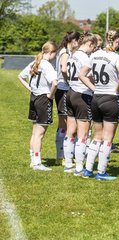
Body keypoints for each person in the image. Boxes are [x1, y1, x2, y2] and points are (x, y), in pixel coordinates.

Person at [82, 30, 119, 180]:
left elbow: (82, 75)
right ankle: (101, 172)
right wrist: (118, 89)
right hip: (110, 99)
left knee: (97, 136)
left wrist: (94, 88)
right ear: (116, 41)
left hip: (96, 98)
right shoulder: (116, 57)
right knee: (107, 138)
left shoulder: (94, 55)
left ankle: (88, 170)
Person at [18, 41, 58, 171]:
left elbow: (20, 76)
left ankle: (33, 160)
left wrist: (31, 88)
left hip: (34, 98)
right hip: (43, 99)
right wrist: (51, 96)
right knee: (40, 133)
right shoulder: (47, 65)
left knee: (35, 132)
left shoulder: (35, 62)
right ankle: (37, 162)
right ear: (51, 53)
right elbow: (55, 83)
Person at [63, 32, 97, 175]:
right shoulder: (85, 57)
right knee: (82, 135)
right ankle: (79, 168)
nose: (93, 50)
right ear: (89, 44)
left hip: (70, 93)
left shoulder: (73, 54)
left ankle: (69, 164)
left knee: (70, 131)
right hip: (82, 95)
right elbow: (86, 76)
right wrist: (95, 87)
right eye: (93, 47)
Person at [55, 31, 80, 165]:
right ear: (73, 40)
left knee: (67, 124)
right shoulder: (64, 52)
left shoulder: (67, 51)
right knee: (64, 124)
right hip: (63, 89)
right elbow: (64, 69)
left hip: (65, 89)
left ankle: (64, 155)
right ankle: (61, 156)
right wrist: (69, 81)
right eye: (77, 40)